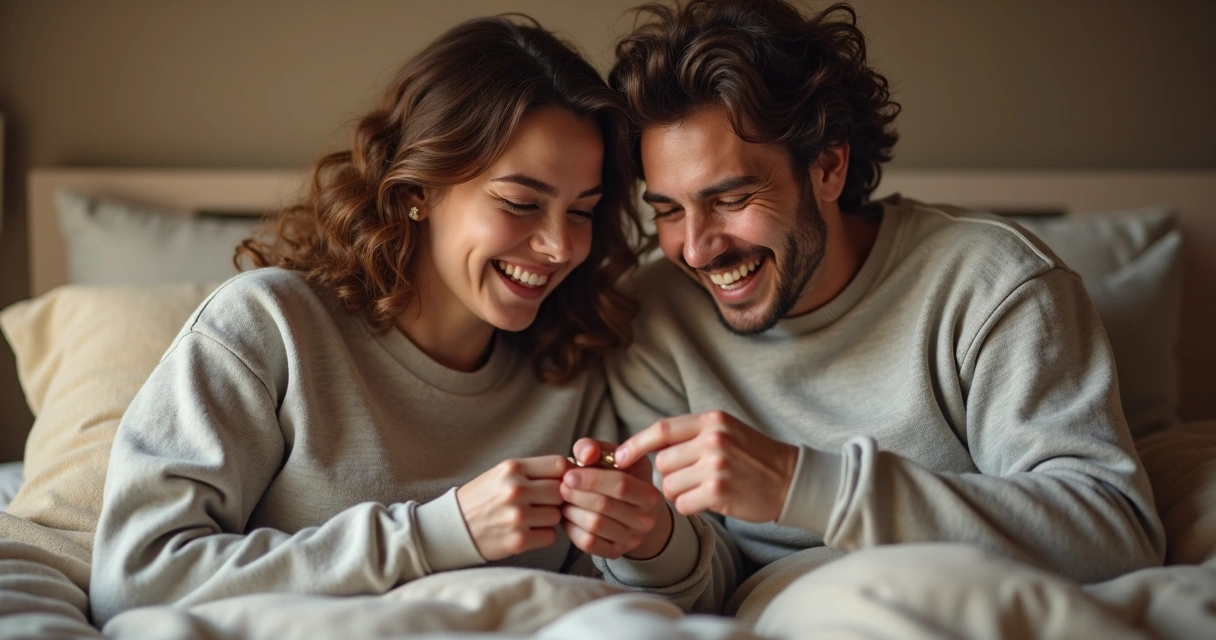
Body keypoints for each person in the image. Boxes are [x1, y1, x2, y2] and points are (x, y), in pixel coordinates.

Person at [565, 0, 1167, 613]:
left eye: (732, 198)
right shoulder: (655, 318)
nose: (696, 249)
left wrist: (804, 486)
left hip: (957, 601)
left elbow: (1115, 535)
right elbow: (709, 579)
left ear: (828, 166)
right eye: (668, 210)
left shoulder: (992, 284)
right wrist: (652, 540)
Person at [89, 15, 661, 625]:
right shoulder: (269, 328)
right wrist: (437, 534)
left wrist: (651, 543)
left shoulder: (573, 367)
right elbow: (136, 580)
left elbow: (629, 605)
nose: (559, 246)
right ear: (419, 188)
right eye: (521, 203)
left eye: (582, 212)